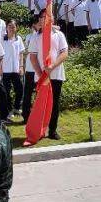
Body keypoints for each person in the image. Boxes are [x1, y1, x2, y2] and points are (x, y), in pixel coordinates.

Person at [26, 11, 68, 140]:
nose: (45, 19)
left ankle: (52, 130)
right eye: (43, 17)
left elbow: (64, 53)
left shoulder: (59, 35)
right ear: (39, 20)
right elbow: (32, 56)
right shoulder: (36, 36)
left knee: (54, 103)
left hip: (56, 75)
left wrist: (52, 66)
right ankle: (39, 130)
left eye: (48, 16)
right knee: (41, 103)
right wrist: (40, 73)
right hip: (41, 77)